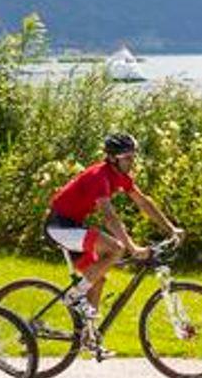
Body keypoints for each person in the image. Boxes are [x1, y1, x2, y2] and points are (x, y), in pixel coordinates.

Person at [42, 132, 183, 352]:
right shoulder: (99, 176)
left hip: (73, 226)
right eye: (127, 157)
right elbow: (110, 217)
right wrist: (132, 247)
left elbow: (143, 202)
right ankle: (74, 296)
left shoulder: (120, 176)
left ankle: (89, 337)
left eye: (133, 157)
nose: (132, 161)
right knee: (116, 248)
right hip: (59, 227)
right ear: (112, 158)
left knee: (98, 279)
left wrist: (171, 229)